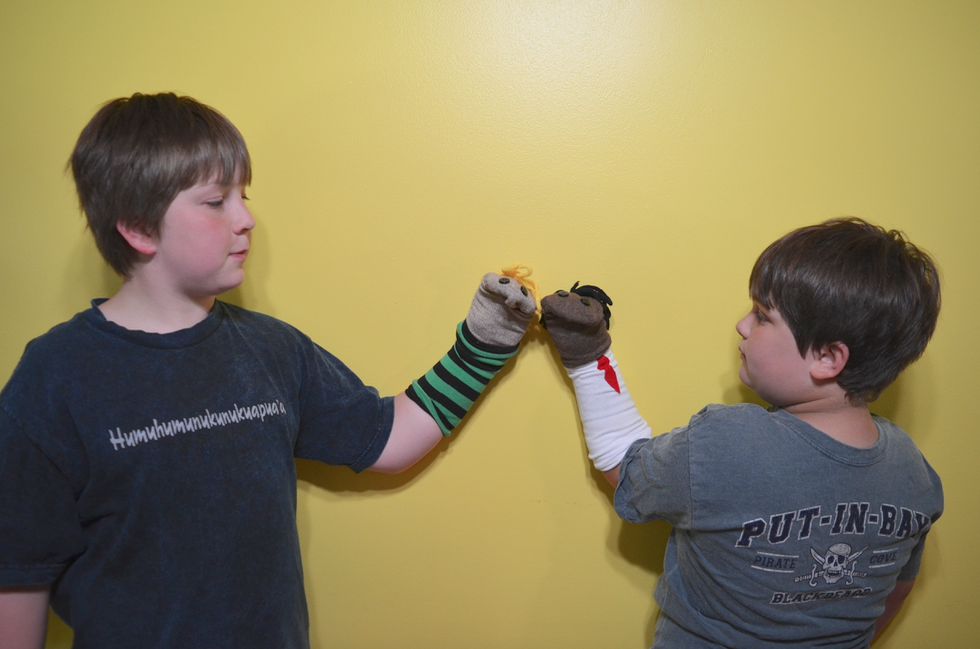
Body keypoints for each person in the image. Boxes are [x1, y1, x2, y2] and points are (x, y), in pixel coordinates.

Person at [0, 92, 538, 649]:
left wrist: (482, 346)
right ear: (138, 228)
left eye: (244, 196)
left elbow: (391, 438)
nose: (247, 219)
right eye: (215, 202)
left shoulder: (270, 350)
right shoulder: (54, 378)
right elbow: (16, 579)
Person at [540, 218, 943, 648]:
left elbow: (625, 464)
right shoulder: (914, 473)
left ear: (827, 357)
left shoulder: (726, 443)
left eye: (763, 316)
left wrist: (586, 356)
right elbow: (899, 588)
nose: (742, 325)